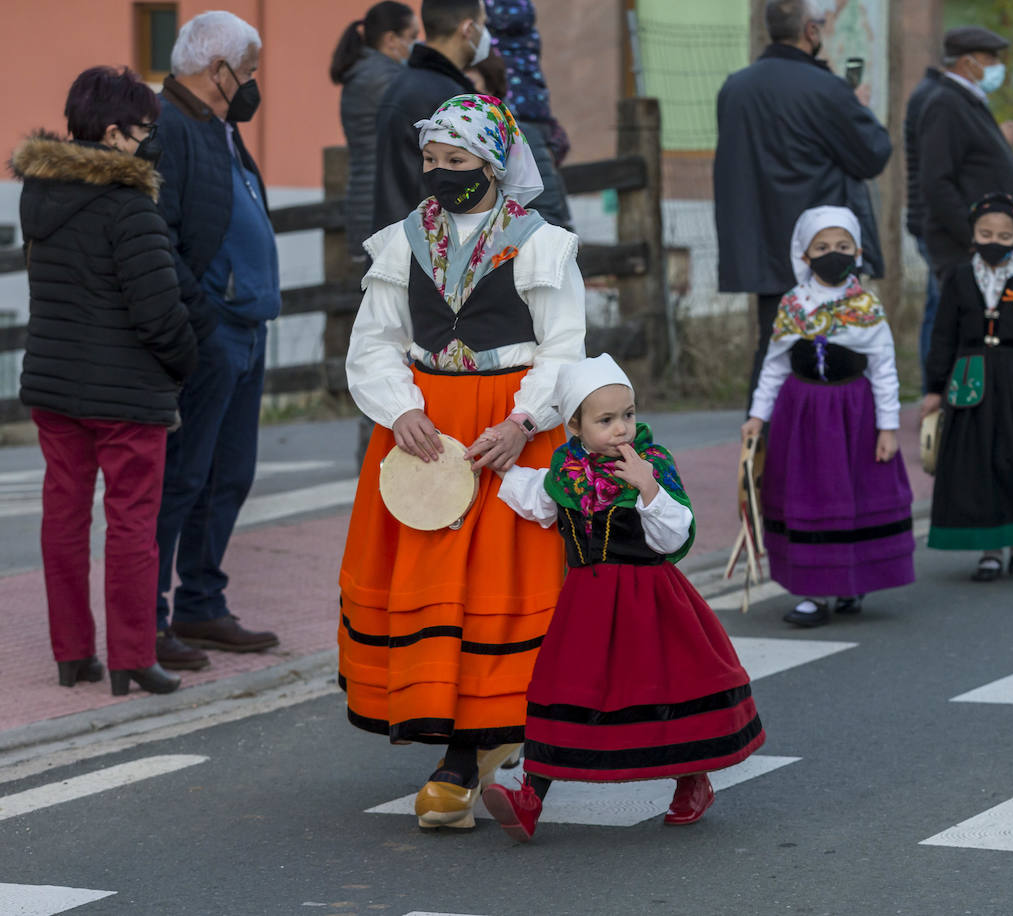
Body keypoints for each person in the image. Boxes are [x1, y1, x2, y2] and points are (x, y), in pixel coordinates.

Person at [339, 95, 585, 831]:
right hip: (426, 436)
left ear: (493, 163)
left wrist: (525, 421)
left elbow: (563, 347)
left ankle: (472, 749)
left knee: (499, 585)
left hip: (508, 433)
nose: (442, 174)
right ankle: (455, 742)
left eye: (458, 161)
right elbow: (376, 341)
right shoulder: (403, 242)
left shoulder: (541, 244)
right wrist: (400, 408)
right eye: (433, 160)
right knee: (437, 583)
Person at [481, 354, 764, 843]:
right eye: (606, 420)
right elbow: (540, 500)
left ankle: (692, 782)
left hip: (650, 600)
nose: (621, 430)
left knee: (668, 692)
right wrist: (497, 468)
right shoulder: (565, 472)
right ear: (575, 425)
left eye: (628, 415)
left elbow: (675, 537)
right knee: (563, 691)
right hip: (586, 607)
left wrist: (649, 490)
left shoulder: (651, 465)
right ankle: (530, 798)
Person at [14, 67, 197, 696]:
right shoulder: (129, 205)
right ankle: (131, 658)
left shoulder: (36, 196)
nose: (151, 141)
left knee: (62, 519)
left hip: (53, 385)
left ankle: (73, 655)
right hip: (127, 397)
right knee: (131, 525)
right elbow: (160, 314)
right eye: (145, 129)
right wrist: (184, 362)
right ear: (116, 133)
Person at [153, 10, 282, 670]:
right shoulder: (170, 125)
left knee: (228, 475)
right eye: (250, 69)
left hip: (246, 328)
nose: (255, 81)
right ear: (218, 69)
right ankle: (150, 618)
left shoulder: (220, 126)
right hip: (212, 332)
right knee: (182, 478)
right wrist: (201, 318)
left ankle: (202, 603)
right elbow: (160, 236)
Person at [741, 206, 914, 628]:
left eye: (841, 246)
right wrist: (757, 417)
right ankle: (813, 592)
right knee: (809, 496)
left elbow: (884, 369)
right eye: (821, 247)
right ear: (804, 254)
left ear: (857, 251)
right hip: (800, 418)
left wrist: (888, 427)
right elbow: (775, 365)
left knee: (850, 495)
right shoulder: (792, 305)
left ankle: (852, 581)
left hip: (853, 417)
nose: (831, 253)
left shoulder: (866, 307)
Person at [714, 0, 891, 406]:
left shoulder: (736, 88)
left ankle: (759, 451)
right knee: (835, 352)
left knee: (774, 346)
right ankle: (823, 451)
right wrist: (858, 108)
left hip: (760, 244)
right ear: (811, 32)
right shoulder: (827, 88)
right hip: (823, 248)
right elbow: (873, 154)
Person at [920, 193, 1013, 581]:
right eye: (985, 232)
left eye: (1004, 235)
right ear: (972, 234)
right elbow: (943, 336)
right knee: (976, 465)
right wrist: (935, 387)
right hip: (971, 381)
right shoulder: (958, 277)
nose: (994, 241)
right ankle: (988, 549)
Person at [918, 27, 1013, 286]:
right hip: (966, 251)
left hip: (989, 248)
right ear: (967, 63)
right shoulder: (946, 104)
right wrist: (974, 236)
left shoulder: (969, 102)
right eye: (991, 61)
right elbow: (937, 181)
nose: (998, 67)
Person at [371, 0, 487, 233]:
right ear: (468, 29)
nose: (487, 35)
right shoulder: (451, 101)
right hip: (431, 252)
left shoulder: (405, 85)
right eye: (483, 25)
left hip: (402, 241)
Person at [331, 1, 418, 259]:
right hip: (383, 207)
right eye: (412, 37)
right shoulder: (385, 79)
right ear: (391, 39)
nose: (417, 44)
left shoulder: (366, 73)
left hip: (368, 204)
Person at [486, 0, 574, 230]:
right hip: (538, 112)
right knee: (546, 190)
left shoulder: (488, 35)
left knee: (536, 198)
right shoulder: (528, 34)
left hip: (513, 114)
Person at [904, 64, 945, 367]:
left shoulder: (931, 95)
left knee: (938, 304)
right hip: (936, 224)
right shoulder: (937, 99)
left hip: (931, 221)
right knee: (941, 306)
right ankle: (935, 388)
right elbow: (938, 172)